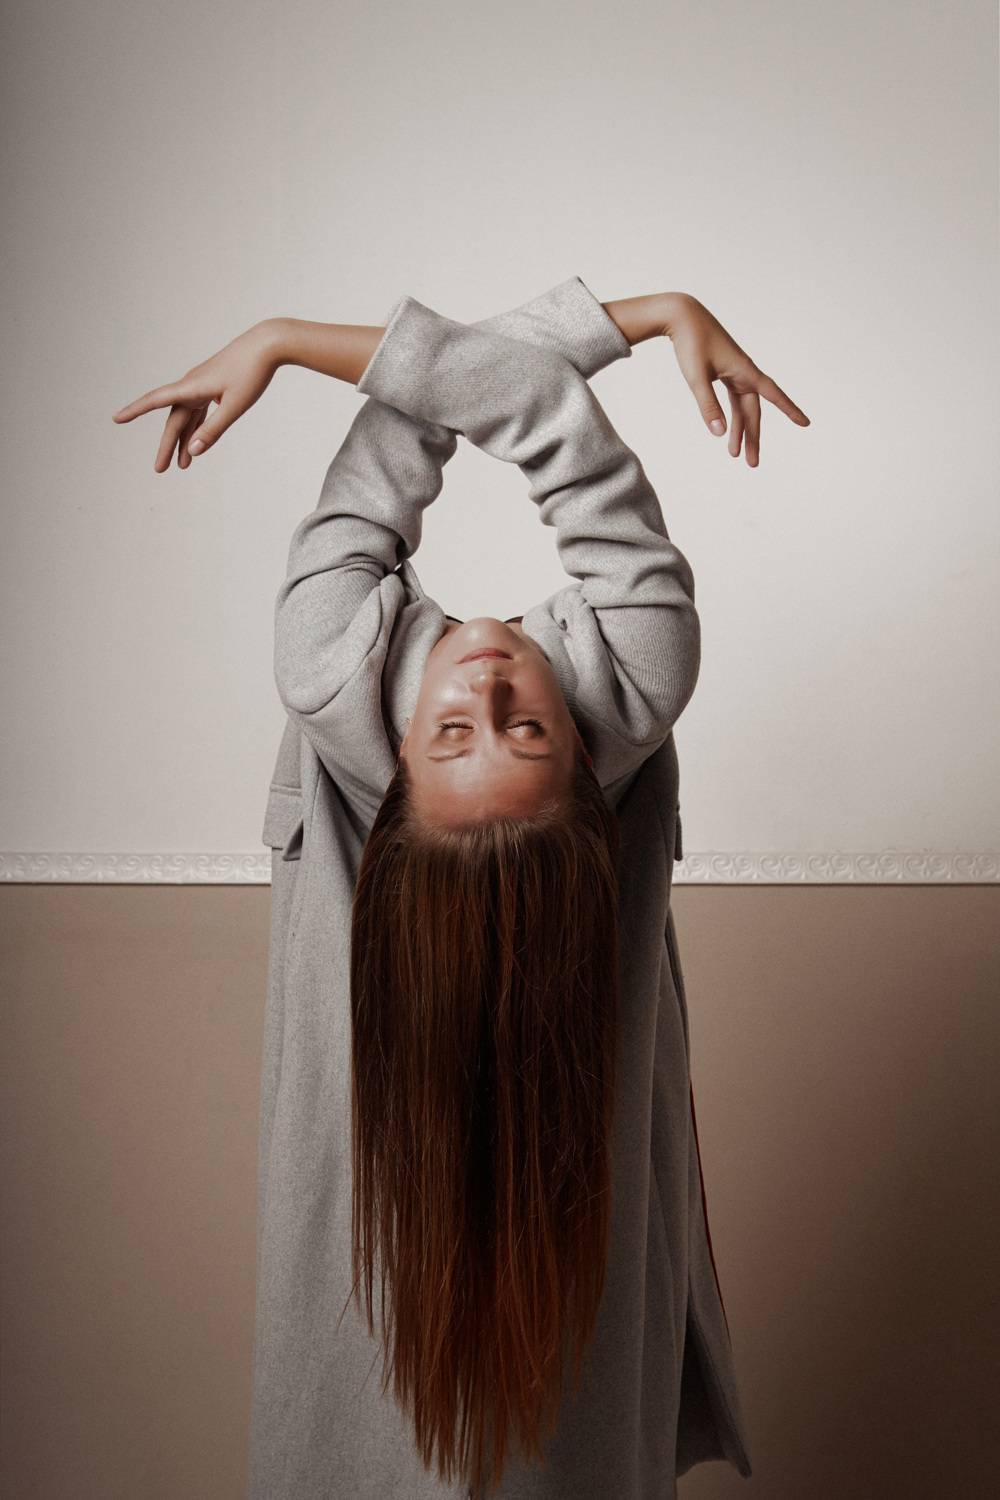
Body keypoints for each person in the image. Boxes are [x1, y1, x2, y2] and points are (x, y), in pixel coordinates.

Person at [112, 276, 808, 1499]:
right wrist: (640, 315)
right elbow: (537, 424)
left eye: (459, 734)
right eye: (519, 728)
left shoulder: (330, 666)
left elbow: (429, 416)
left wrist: (289, 338)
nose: (482, 682)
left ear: (394, 795)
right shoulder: (637, 675)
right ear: (581, 767)